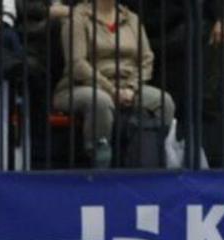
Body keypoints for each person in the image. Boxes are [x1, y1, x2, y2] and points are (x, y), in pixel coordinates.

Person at [52, 0, 174, 168]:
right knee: (100, 101)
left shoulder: (131, 19)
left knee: (162, 101)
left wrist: (131, 87)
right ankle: (100, 161)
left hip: (128, 84)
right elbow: (77, 64)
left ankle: (149, 157)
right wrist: (112, 89)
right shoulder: (78, 18)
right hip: (82, 85)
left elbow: (147, 59)